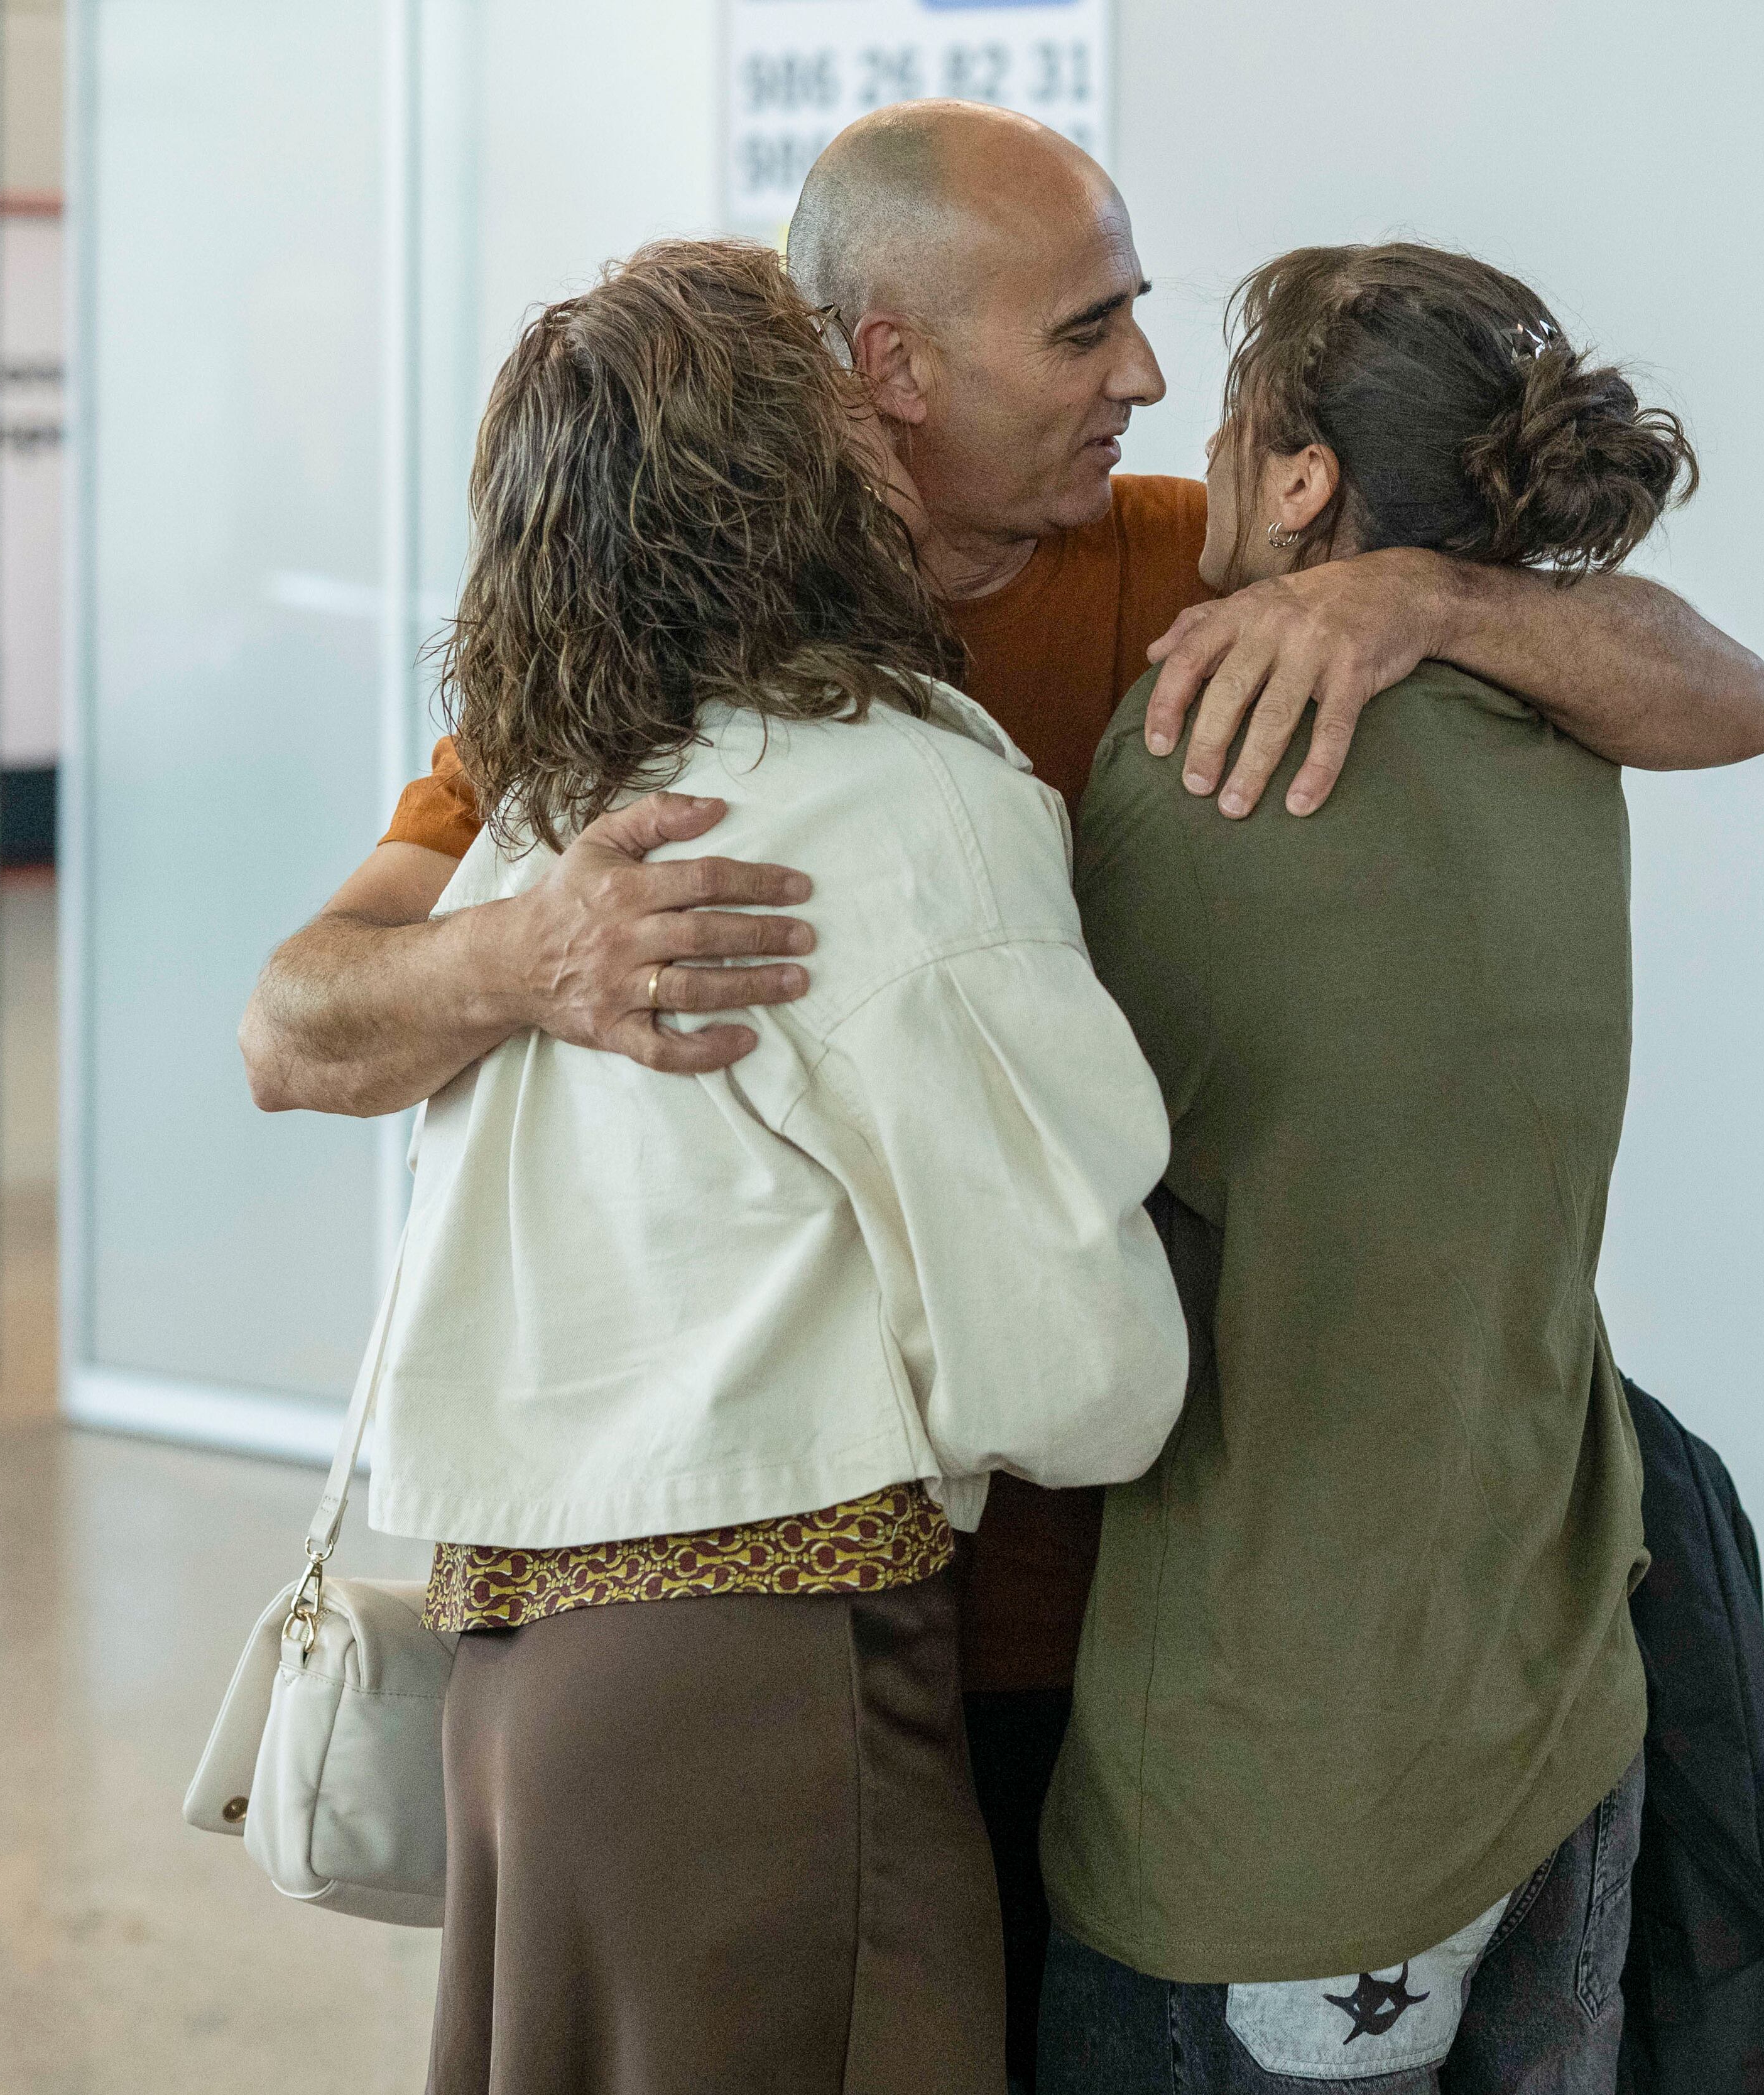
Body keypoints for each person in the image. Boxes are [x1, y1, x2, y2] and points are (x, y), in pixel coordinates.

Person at [239, 102, 1764, 2081]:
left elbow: (1721, 693)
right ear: (891, 370)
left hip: (1118, 1636)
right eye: (1084, 331)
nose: (1138, 378)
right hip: (855, 1642)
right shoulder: (637, 714)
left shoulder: (1185, 571)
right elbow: (297, 1029)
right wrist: (527, 956)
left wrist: (1420, 595)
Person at [357, 237, 1185, 2094]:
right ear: (805, 478)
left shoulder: (550, 819)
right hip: (762, 1687)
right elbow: (1074, 1370)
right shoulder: (904, 798)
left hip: (514, 1688)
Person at [1039, 243, 1680, 2092]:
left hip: (1275, 1772)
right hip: (1554, 1690)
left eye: (1240, 425)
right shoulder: (1569, 738)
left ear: (1304, 473)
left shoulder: (1196, 760)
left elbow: (1044, 1204)